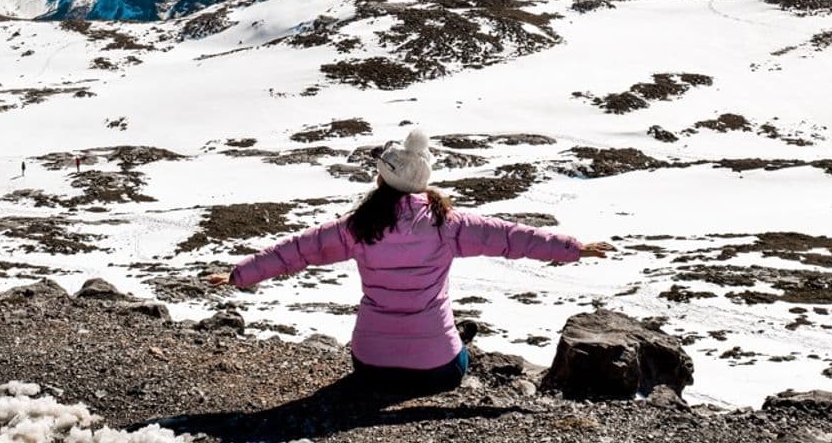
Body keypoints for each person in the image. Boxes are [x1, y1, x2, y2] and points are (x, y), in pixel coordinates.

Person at [204, 128, 615, 394]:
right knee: (459, 355)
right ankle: (455, 337)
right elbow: (511, 237)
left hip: (370, 366)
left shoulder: (357, 226)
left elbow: (295, 251)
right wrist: (573, 247)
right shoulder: (450, 223)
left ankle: (446, 336)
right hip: (437, 371)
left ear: (383, 178)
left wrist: (239, 276)